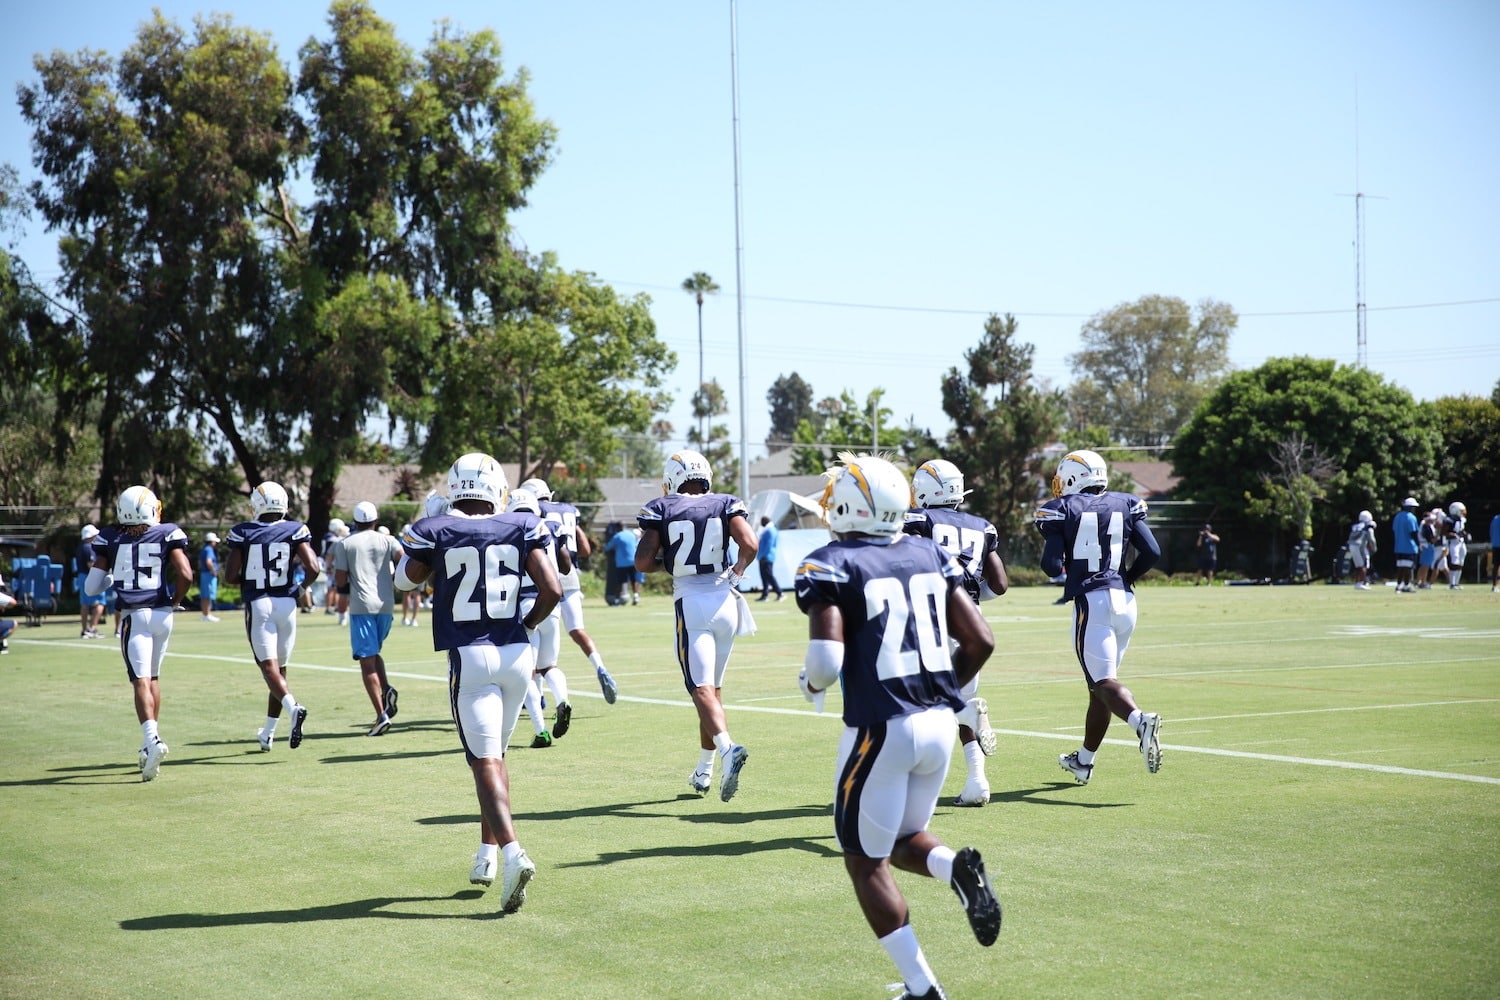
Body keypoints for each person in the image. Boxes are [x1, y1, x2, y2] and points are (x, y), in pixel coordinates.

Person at [795, 453, 1001, 1000]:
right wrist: (939, 693)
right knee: (903, 840)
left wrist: (811, 685)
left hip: (880, 728)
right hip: (938, 724)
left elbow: (825, 662)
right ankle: (955, 867)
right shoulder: (930, 552)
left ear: (847, 505)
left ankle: (923, 988)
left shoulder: (831, 562)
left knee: (864, 863)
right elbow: (981, 640)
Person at [397, 452, 560, 914]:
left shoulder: (436, 528)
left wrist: (429, 532)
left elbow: (403, 583)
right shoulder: (520, 525)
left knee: (485, 759)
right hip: (516, 654)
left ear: (455, 486)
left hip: (470, 655)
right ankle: (487, 854)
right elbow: (553, 590)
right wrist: (526, 627)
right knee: (496, 758)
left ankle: (513, 853)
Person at [1035, 449, 1163, 784]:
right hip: (1126, 601)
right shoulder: (1125, 503)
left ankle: (1139, 721)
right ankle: (1084, 761)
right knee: (1101, 686)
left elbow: (1050, 567)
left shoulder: (1062, 509)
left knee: (1103, 682)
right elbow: (1152, 552)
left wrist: (1063, 549)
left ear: (1074, 478)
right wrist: (1128, 576)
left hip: (1093, 603)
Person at [635, 449, 758, 801]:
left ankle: (727, 748)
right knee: (713, 692)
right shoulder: (724, 503)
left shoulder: (663, 507)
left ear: (672, 479)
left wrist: (667, 561)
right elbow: (749, 543)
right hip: (726, 601)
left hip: (692, 602)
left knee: (700, 689)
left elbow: (643, 563)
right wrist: (737, 572)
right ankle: (704, 770)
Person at [902, 458, 1008, 808]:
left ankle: (904, 787)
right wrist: (972, 596)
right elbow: (1000, 584)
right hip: (971, 619)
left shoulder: (920, 520)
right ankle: (977, 781)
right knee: (956, 693)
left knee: (920, 702)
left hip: (932, 614)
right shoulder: (982, 526)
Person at [84, 486, 194, 782]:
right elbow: (186, 574)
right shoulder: (167, 533)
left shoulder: (110, 536)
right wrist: (176, 601)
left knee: (140, 681)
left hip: (135, 616)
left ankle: (153, 740)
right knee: (154, 678)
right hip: (162, 614)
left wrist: (109, 579)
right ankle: (149, 743)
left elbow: (90, 588)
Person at [224, 481, 320, 752]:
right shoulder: (294, 529)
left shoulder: (244, 532)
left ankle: (293, 708)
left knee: (269, 669)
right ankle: (268, 732)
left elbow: (230, 576)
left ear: (256, 505)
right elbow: (313, 567)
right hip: (286, 604)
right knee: (280, 672)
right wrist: (300, 589)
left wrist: (251, 578)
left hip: (260, 604)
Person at [522, 478, 618, 704]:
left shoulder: (536, 512)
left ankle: (539, 695)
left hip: (545, 574)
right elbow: (584, 550)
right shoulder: (568, 510)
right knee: (577, 630)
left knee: (534, 632)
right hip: (570, 574)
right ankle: (600, 667)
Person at [506, 488, 574, 748]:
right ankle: (562, 700)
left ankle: (541, 730)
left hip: (525, 605)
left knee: (528, 673)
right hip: (552, 605)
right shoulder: (552, 526)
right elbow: (566, 563)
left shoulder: (507, 529)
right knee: (550, 666)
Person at [334, 501, 405, 736]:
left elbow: (341, 580)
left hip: (362, 606)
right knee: (373, 655)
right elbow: (403, 559)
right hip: (386, 605)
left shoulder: (345, 543)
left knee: (366, 661)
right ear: (376, 520)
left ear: (355, 522)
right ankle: (386, 690)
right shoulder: (389, 540)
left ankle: (380, 715)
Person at [75, 524, 106, 638]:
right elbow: (91, 565)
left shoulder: (80, 547)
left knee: (85, 604)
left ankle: (84, 630)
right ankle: (92, 628)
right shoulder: (88, 548)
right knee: (101, 602)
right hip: (88, 576)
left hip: (81, 576)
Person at [602, 521, 639, 606]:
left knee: (620, 582)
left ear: (618, 528)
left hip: (621, 563)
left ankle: (617, 600)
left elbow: (608, 548)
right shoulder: (632, 534)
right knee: (634, 580)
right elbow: (637, 544)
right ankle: (636, 596)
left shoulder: (617, 536)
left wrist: (604, 543)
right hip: (633, 561)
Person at [1391, 499, 1421, 594]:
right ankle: (1406, 585)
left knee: (1400, 567)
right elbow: (1413, 533)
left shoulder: (1397, 516)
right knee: (1408, 567)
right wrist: (1419, 544)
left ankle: (1399, 585)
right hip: (1409, 547)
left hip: (1398, 546)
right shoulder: (1411, 517)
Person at [1346, 510, 1378, 590]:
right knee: (1364, 564)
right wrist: (1374, 548)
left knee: (1358, 566)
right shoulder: (1368, 525)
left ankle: (1357, 582)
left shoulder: (1356, 526)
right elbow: (1371, 538)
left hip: (1351, 545)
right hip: (1360, 546)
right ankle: (1361, 583)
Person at [1443, 501, 1469, 590]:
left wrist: (1465, 534)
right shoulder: (1450, 519)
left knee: (1461, 562)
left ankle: (1456, 583)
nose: (1463, 512)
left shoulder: (1461, 519)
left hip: (1461, 542)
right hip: (1453, 542)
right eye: (1461, 510)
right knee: (1455, 561)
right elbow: (1444, 532)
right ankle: (1452, 583)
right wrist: (1453, 535)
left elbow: (1461, 530)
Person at [756, 515, 783, 601]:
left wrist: (762, 555)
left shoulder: (770, 531)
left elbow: (768, 545)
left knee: (769, 575)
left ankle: (780, 593)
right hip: (765, 556)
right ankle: (765, 595)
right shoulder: (770, 530)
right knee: (764, 576)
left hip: (766, 556)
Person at [198, 531, 222, 621]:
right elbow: (209, 562)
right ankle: (207, 614)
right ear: (211, 541)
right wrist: (214, 571)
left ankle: (206, 614)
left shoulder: (205, 549)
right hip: (208, 574)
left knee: (206, 595)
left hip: (205, 574)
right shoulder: (209, 549)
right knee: (207, 595)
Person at [1417, 508, 1442, 589]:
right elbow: (1432, 540)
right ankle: (1423, 583)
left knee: (1423, 565)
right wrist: (1439, 532)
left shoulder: (1425, 525)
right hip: (1427, 547)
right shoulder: (1426, 527)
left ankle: (1419, 581)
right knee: (1426, 566)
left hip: (1425, 547)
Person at [1490, 510, 1500, 594]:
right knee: (1496, 566)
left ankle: (1494, 586)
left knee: (1496, 566)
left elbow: (1491, 531)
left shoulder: (1495, 518)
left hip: (1495, 544)